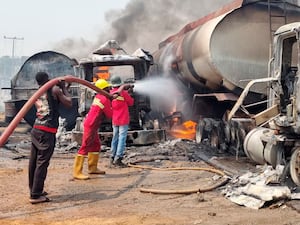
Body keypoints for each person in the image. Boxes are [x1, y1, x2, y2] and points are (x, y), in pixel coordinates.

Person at [29, 72, 72, 204]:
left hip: (36, 129)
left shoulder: (38, 91)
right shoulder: (55, 89)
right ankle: (36, 195)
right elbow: (69, 103)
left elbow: (54, 99)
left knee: (34, 161)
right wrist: (63, 88)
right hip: (47, 131)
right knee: (42, 162)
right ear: (48, 79)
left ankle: (34, 189)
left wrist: (64, 87)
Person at [73, 79, 113, 180]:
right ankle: (77, 172)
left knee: (96, 145)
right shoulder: (104, 99)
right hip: (91, 125)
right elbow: (110, 114)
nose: (110, 89)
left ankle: (92, 168)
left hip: (93, 125)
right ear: (104, 89)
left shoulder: (99, 96)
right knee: (85, 146)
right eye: (108, 88)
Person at [109, 76, 134, 167]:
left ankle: (112, 156)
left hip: (115, 119)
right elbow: (131, 102)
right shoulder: (123, 93)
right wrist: (130, 93)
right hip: (123, 119)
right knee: (122, 138)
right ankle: (118, 158)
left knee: (115, 138)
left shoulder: (110, 93)